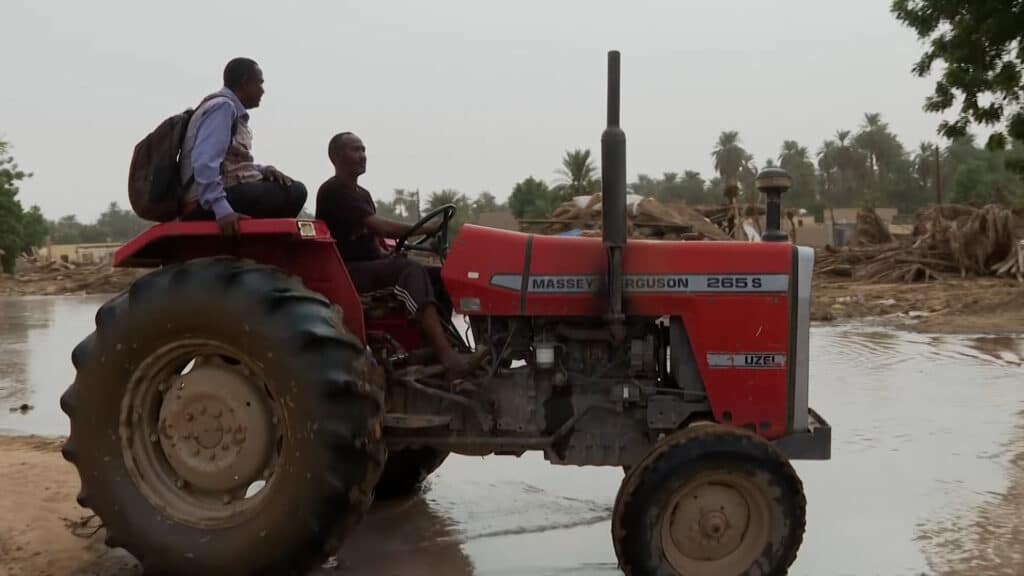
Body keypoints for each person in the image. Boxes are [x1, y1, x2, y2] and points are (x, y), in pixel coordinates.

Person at [315, 132, 484, 381]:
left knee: (442, 275)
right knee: (409, 271)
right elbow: (380, 227)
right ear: (336, 156)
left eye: (363, 150)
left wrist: (390, 254)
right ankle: (448, 357)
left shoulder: (361, 193)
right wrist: (426, 228)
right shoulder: (333, 191)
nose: (363, 156)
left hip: (370, 263)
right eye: (355, 150)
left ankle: (445, 344)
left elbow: (370, 241)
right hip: (349, 271)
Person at [179, 57, 308, 236]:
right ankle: (263, 244)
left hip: (215, 194)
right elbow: (205, 161)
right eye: (259, 83)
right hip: (204, 202)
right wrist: (222, 209)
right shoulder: (222, 108)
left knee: (283, 184)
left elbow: (227, 161)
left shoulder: (226, 110)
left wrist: (262, 170)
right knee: (295, 192)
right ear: (245, 82)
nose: (262, 91)